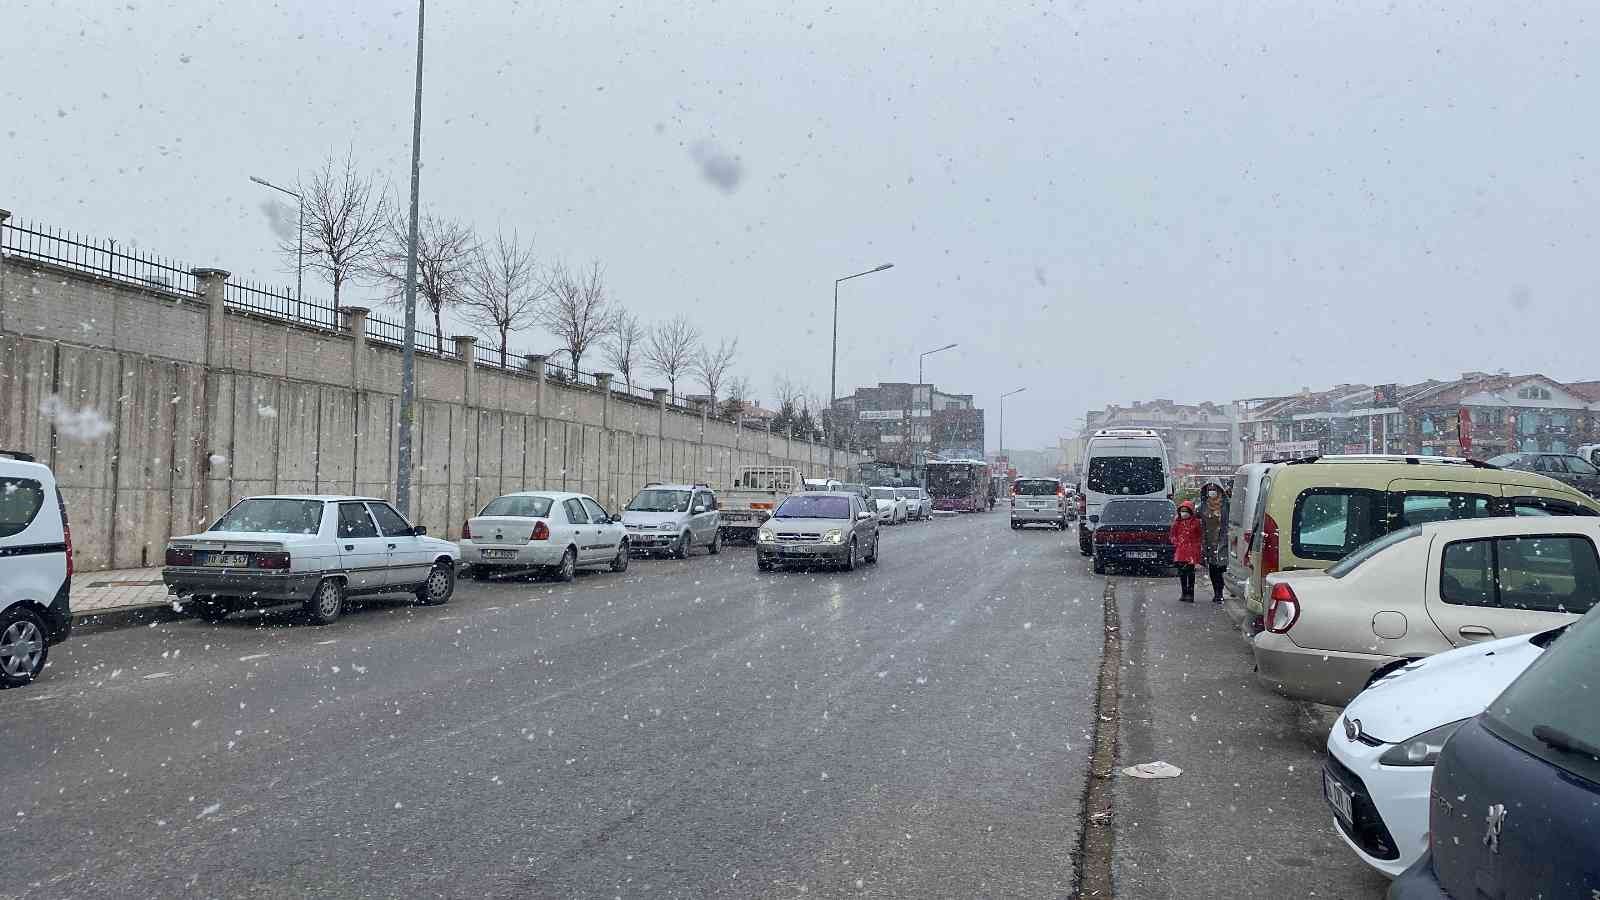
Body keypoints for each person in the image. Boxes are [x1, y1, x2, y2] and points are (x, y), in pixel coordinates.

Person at [1199, 482, 1230, 603]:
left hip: (1223, 540)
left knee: (1222, 567)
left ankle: (1221, 591)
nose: (1211, 491)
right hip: (1209, 540)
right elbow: (1195, 516)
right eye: (1209, 489)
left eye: (1214, 489)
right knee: (1213, 568)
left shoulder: (1226, 504)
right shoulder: (1203, 505)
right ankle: (1217, 592)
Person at [1170, 500, 1202, 601]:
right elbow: (1172, 535)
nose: (1183, 513)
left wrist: (1197, 546)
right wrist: (1177, 543)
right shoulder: (1177, 523)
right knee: (1182, 573)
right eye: (1182, 511)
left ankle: (1190, 594)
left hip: (1192, 552)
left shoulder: (1196, 522)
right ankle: (1184, 593)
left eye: (1186, 511)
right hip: (1181, 552)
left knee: (1190, 573)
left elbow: (1200, 536)